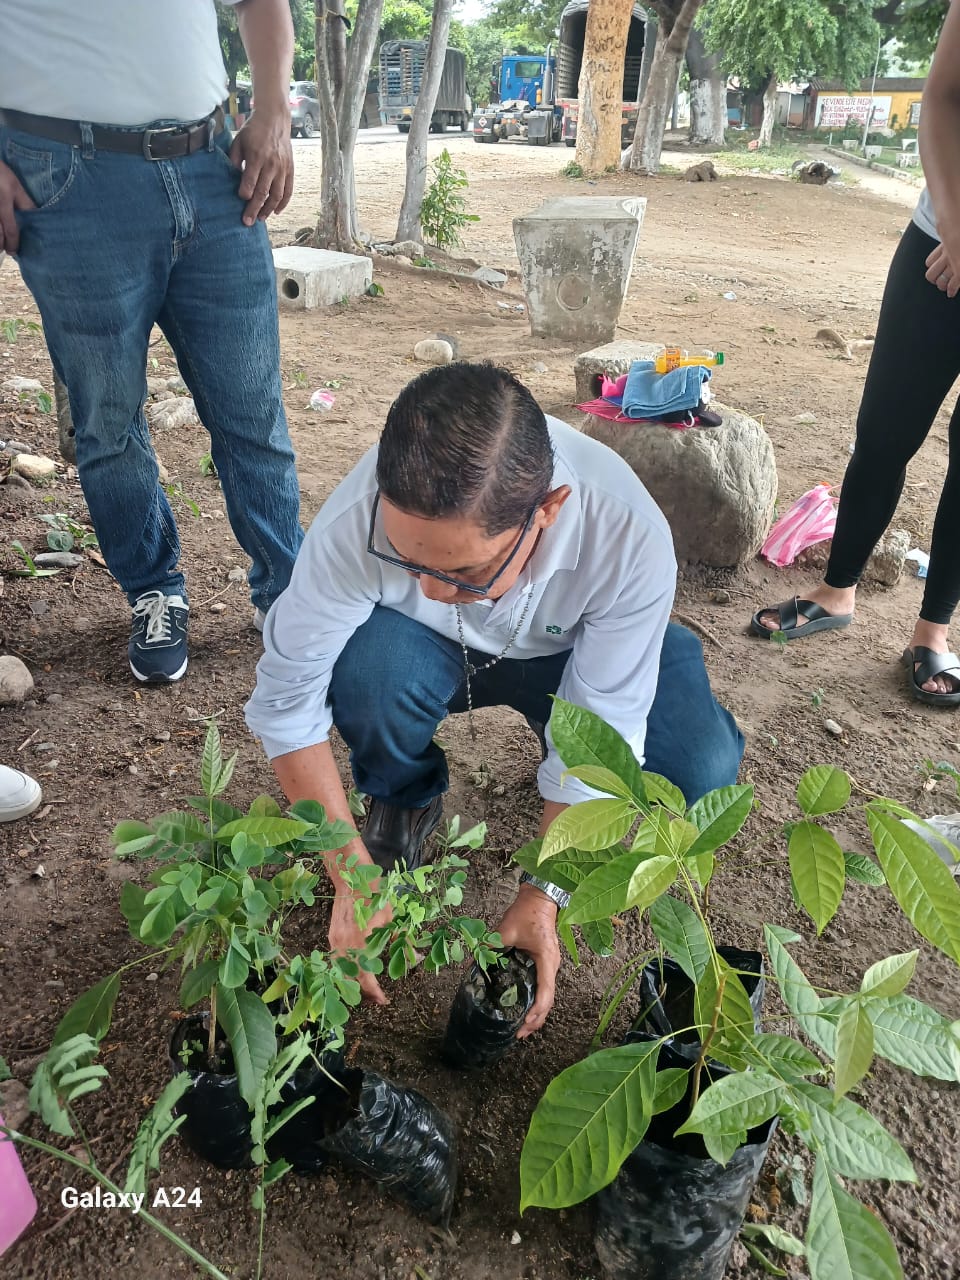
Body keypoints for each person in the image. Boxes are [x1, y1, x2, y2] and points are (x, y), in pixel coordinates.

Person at [245, 363, 744, 1038]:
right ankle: (403, 796)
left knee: (697, 767)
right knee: (366, 673)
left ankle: (562, 759)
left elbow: (605, 728)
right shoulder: (357, 521)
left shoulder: (628, 534)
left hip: (574, 649)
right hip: (425, 647)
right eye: (406, 560)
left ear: (548, 512)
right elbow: (286, 701)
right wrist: (348, 874)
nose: (430, 589)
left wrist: (545, 892)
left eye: (465, 570)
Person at [0, 0, 303, 685]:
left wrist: (273, 113)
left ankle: (289, 589)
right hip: (66, 183)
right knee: (108, 422)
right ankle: (154, 592)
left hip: (215, 166)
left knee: (252, 412)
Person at [751, 4, 960, 708]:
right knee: (883, 434)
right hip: (940, 246)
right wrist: (956, 226)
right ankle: (836, 591)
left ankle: (933, 631)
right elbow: (942, 98)